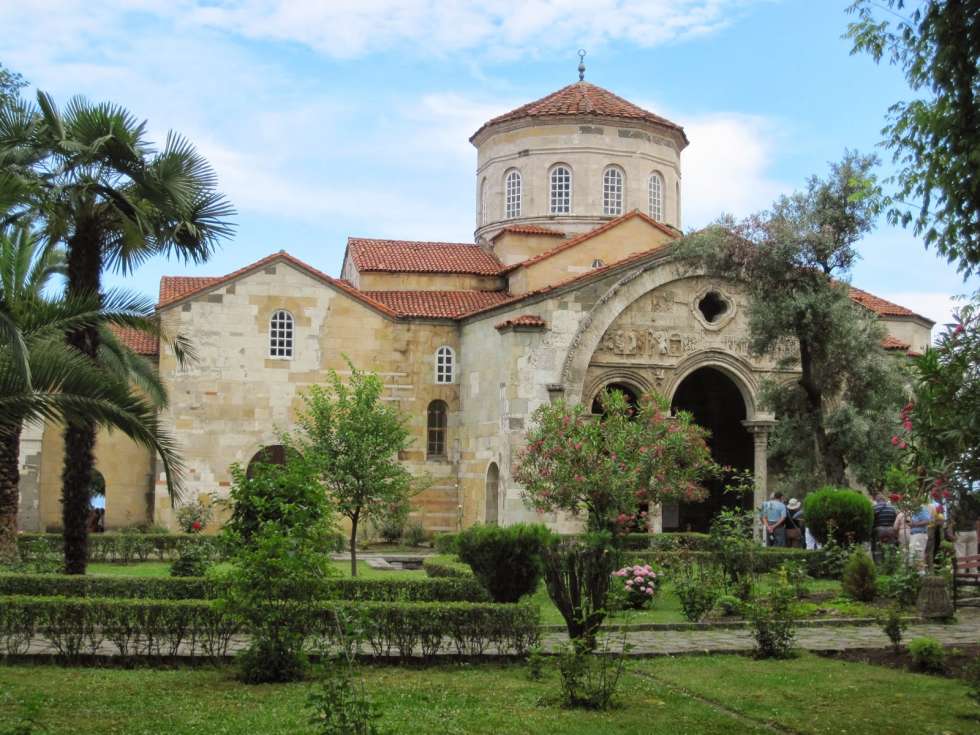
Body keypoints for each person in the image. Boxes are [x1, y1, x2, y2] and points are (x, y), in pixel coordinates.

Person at [871, 493, 898, 562]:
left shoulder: (874, 507)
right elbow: (896, 519)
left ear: (877, 500)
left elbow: (872, 520)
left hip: (879, 530)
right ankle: (891, 562)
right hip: (890, 530)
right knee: (891, 548)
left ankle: (879, 563)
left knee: (878, 548)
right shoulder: (892, 508)